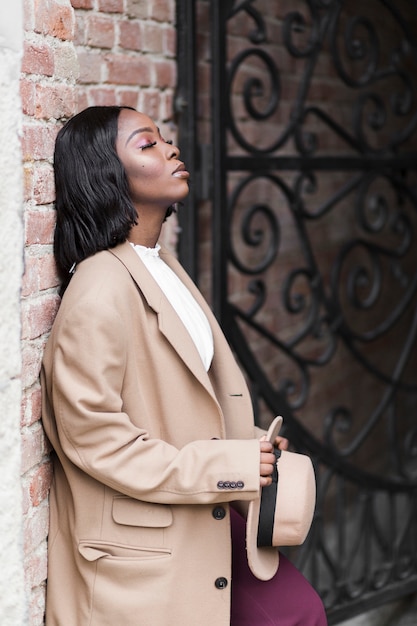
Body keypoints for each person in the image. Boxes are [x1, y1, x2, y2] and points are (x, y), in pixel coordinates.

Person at [41, 105, 327, 626]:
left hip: (201, 510)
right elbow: (95, 439)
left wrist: (251, 444)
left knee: (298, 611)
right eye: (147, 145)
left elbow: (182, 399)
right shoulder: (100, 288)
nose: (171, 148)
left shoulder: (160, 263)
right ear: (107, 172)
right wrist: (229, 468)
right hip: (147, 538)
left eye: (164, 138)